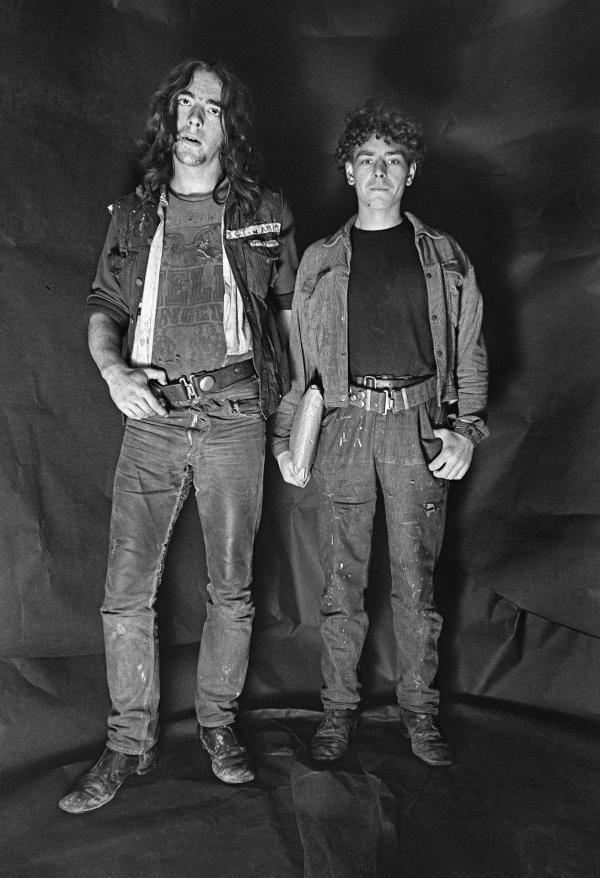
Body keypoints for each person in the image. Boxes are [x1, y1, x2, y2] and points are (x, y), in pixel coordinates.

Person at [59, 59, 297, 813]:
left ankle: (219, 727)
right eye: (186, 105)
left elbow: (292, 316)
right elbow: (103, 304)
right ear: (172, 117)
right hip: (153, 417)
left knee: (233, 588)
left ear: (231, 126)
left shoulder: (268, 213)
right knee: (126, 594)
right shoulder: (133, 216)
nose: (195, 119)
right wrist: (111, 373)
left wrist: (288, 415)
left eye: (213, 109)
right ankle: (129, 743)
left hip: (235, 413)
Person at [271, 100, 488, 767]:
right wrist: (286, 441)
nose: (380, 173)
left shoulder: (445, 257)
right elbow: (296, 368)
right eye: (367, 160)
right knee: (342, 582)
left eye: (393, 161)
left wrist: (467, 434)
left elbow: (472, 351)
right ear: (348, 171)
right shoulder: (319, 262)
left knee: (416, 584)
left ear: (411, 172)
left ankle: (420, 712)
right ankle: (338, 711)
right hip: (344, 428)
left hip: (419, 427)